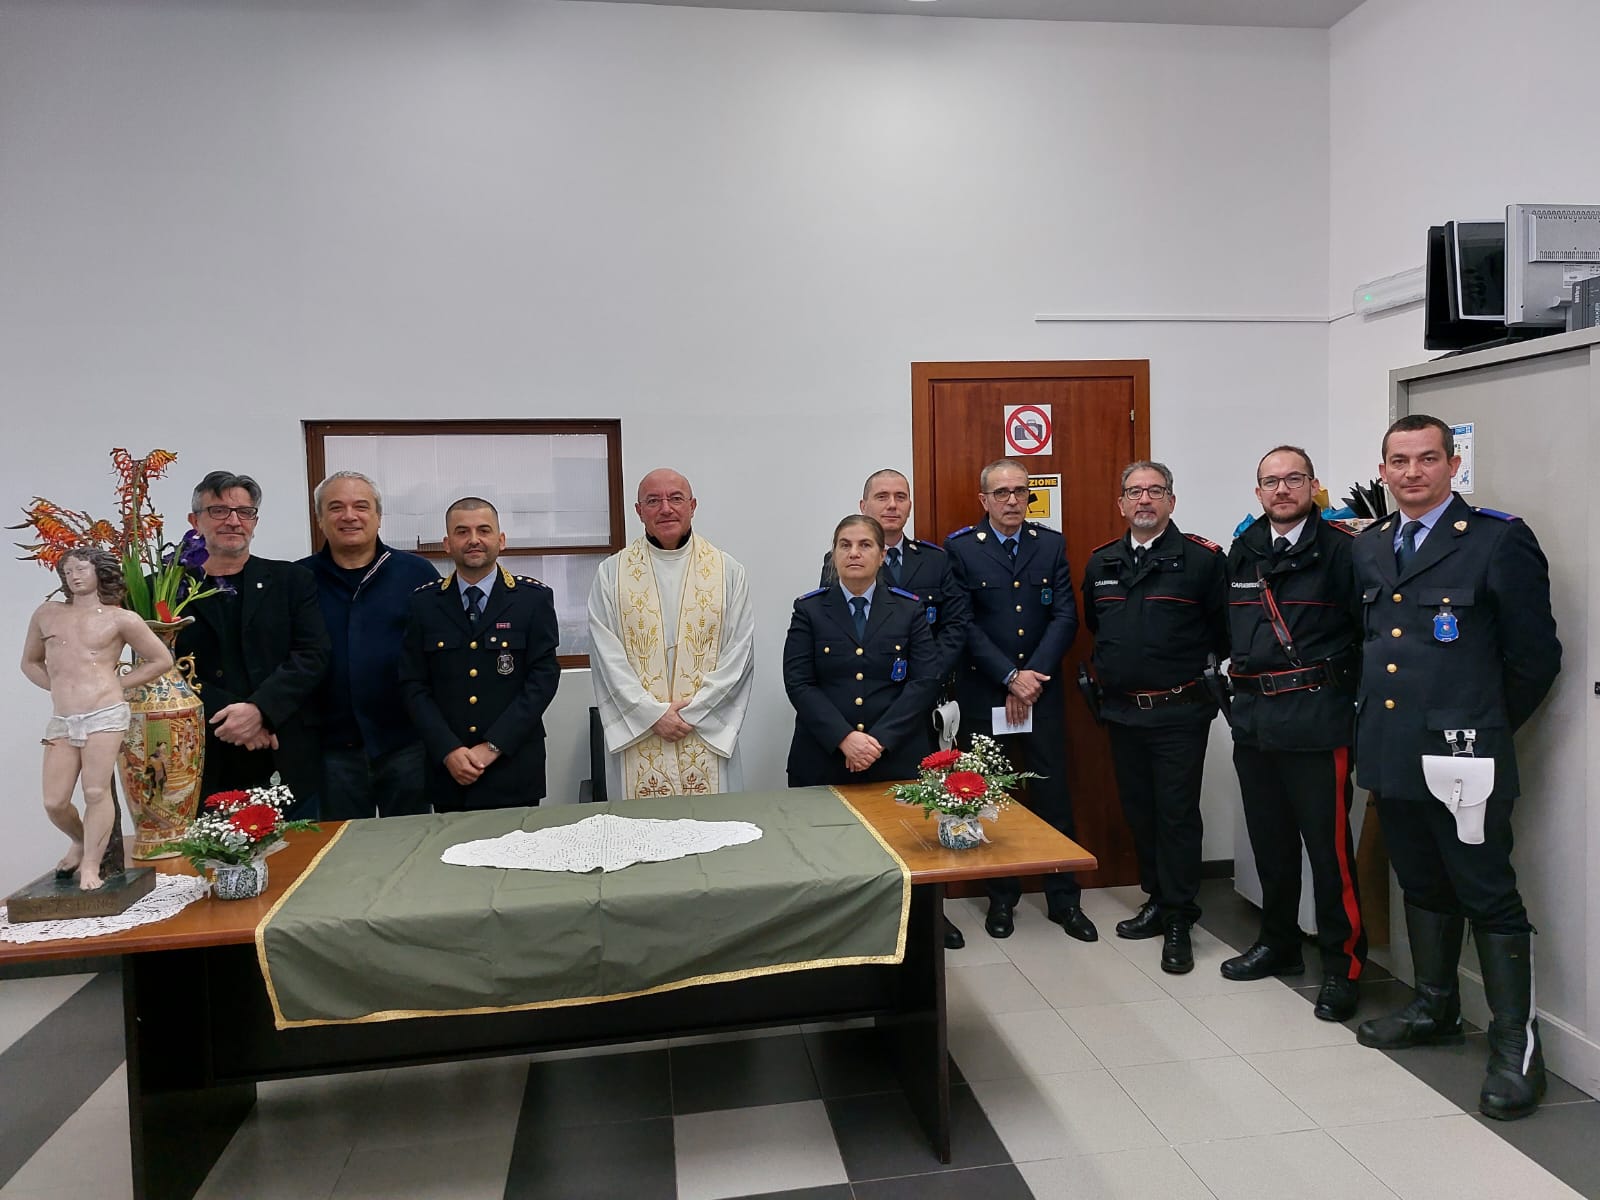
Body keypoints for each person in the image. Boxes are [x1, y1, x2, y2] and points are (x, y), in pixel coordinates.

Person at [1352, 414, 1560, 1122]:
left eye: (1427, 459)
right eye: (1399, 461)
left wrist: (1483, 726)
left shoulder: (1498, 539)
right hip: (1391, 751)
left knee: (1486, 891)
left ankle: (1514, 1043)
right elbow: (1374, 645)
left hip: (1465, 755)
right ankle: (1434, 1007)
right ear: (1382, 469)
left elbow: (1535, 659)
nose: (1412, 473)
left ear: (1451, 465)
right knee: (1421, 882)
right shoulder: (1373, 544)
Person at [1222, 446, 1368, 1019]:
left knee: (1329, 852)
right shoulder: (1244, 550)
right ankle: (1278, 941)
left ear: (1312, 485)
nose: (1281, 490)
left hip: (1316, 720)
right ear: (1257, 491)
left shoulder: (1341, 551)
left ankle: (1343, 964)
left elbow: (1366, 635)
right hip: (1255, 722)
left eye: (1293, 480)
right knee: (1271, 844)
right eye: (1270, 482)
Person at [1080, 462, 1227, 974]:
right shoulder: (1101, 563)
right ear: (1121, 503)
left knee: (1177, 814)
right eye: (1134, 492)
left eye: (1154, 491)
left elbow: (1223, 631)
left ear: (1171, 500)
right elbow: (1097, 625)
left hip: (1180, 711)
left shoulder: (1203, 561)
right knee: (1140, 812)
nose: (1144, 500)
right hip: (1122, 712)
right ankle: (1157, 900)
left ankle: (1181, 917)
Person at [822, 468, 973, 950]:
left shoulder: (934, 560)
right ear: (864, 503)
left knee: (918, 821)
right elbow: (833, 631)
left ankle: (931, 916)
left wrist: (923, 667)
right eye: (881, 496)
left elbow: (955, 623)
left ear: (910, 505)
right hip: (858, 715)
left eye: (900, 496)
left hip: (917, 710)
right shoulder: (840, 557)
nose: (891, 504)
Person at [946, 457, 1095, 942]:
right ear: (983, 499)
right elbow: (963, 624)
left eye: (1021, 492)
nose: (1013, 501)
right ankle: (1002, 899)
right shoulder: (962, 549)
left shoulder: (1049, 544)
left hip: (1043, 693)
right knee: (993, 797)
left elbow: (1065, 618)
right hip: (986, 692)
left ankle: (1064, 899)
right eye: (1003, 492)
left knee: (1053, 794)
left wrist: (1032, 678)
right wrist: (1010, 677)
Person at [587, 468, 756, 799]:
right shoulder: (612, 574)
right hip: (641, 735)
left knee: (715, 839)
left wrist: (694, 713)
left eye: (675, 498)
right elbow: (606, 657)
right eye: (653, 500)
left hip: (705, 732)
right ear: (638, 511)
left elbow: (740, 652)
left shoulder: (727, 571)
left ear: (692, 505)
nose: (666, 508)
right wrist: (652, 715)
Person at [175, 471, 330, 820]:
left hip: (283, 754)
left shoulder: (292, 580)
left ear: (254, 521)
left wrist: (261, 711)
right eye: (218, 511)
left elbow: (312, 655)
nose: (233, 521)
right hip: (203, 759)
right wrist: (236, 716)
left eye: (245, 512)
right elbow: (163, 668)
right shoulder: (165, 588)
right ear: (194, 521)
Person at [21, 547, 173, 890]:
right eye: (69, 570)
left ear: (99, 572)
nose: (75, 576)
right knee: (54, 800)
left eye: (82, 568)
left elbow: (160, 659)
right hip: (63, 717)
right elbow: (30, 662)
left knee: (94, 790)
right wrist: (57, 687)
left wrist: (117, 684)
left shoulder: (121, 618)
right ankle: (79, 840)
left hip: (105, 713)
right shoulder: (47, 613)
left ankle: (91, 865)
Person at [400, 497, 561, 811]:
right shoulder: (424, 604)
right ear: (447, 543)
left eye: (484, 530)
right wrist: (448, 750)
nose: (473, 540)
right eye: (462, 532)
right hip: (448, 769)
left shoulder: (533, 599)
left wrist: (492, 746)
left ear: (500, 540)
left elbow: (542, 680)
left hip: (512, 766)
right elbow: (412, 684)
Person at [299, 471, 440, 819]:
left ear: (378, 516)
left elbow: (438, 656)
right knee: (341, 854)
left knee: (411, 846)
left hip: (406, 743)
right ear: (320, 519)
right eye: (336, 507)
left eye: (361, 506)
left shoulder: (417, 574)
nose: (349, 516)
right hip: (330, 749)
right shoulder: (298, 580)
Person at [784, 515, 940, 786]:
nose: (854, 553)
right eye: (845, 545)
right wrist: (844, 738)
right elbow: (799, 683)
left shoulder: (909, 610)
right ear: (834, 554)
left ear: (882, 555)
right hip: (824, 757)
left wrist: (878, 742)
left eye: (865, 545)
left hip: (895, 757)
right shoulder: (809, 610)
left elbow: (924, 682)